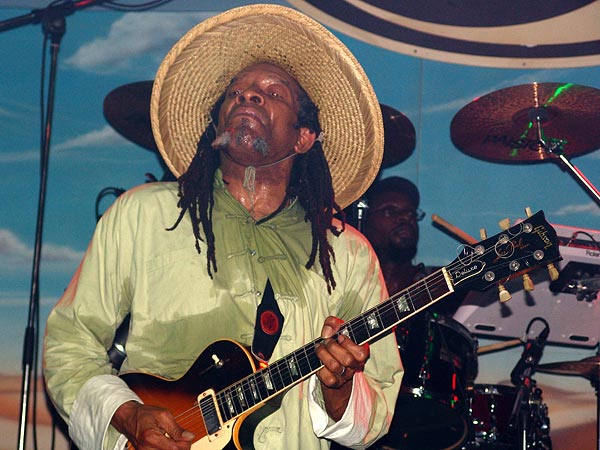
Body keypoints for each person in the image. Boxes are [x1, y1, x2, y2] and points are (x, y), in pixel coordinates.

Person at [43, 5, 402, 450]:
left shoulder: (346, 252)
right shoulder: (144, 214)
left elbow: (378, 406)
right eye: (236, 92)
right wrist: (127, 414)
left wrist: (339, 389)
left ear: (303, 137)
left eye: (272, 92)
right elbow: (70, 342)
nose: (248, 96)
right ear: (217, 125)